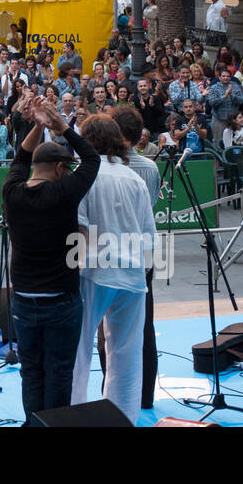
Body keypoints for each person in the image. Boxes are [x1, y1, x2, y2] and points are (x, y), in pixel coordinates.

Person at [2, 96, 100, 422]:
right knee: (59, 373)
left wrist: (39, 126)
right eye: (65, 169)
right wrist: (61, 126)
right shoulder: (63, 194)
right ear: (60, 168)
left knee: (31, 372)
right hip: (61, 300)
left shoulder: (12, 191)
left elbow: (20, 156)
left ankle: (33, 423)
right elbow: (91, 158)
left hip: (24, 299)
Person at [69, 114, 157, 423]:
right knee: (127, 354)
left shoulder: (85, 174)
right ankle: (122, 420)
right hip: (132, 271)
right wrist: (143, 275)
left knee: (78, 351)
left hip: (93, 270)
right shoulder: (133, 178)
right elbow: (149, 233)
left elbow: (80, 229)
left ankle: (73, 416)